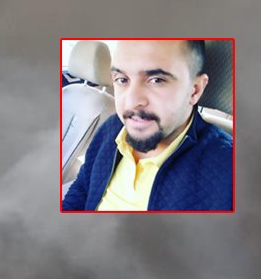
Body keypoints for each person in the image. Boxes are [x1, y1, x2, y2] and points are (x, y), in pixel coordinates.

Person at [62, 40, 232, 211]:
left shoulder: (230, 170)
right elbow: (83, 189)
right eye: (122, 79)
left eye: (156, 80)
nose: (131, 101)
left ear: (194, 90)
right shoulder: (110, 129)